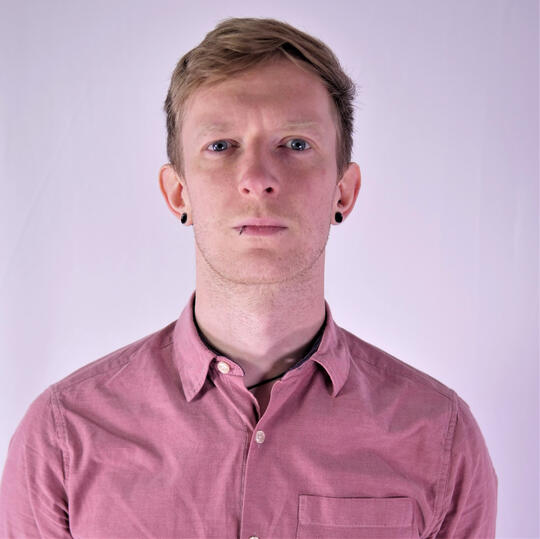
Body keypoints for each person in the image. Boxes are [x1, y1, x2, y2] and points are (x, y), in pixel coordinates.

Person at [0, 17, 497, 538]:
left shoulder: (438, 436)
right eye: (221, 146)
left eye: (296, 144)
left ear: (343, 191)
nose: (258, 179)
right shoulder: (63, 438)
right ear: (178, 194)